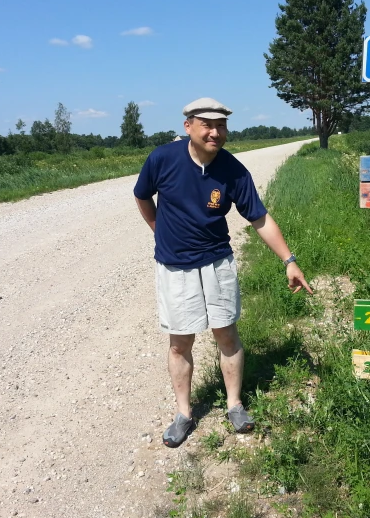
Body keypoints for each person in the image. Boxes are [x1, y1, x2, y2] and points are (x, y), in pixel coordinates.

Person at [134, 97, 312, 448]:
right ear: (189, 126)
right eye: (207, 125)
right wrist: (158, 228)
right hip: (175, 266)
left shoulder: (233, 170)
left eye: (221, 126)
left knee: (226, 335)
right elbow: (142, 195)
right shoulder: (162, 159)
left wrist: (289, 260)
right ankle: (184, 413)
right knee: (180, 342)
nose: (215, 132)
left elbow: (259, 218)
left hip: (217, 262)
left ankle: (234, 404)